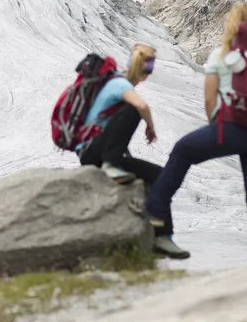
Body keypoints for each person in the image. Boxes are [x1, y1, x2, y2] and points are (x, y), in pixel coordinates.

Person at [141, 3, 247, 262]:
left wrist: (217, 129)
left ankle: (155, 208)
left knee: (183, 150)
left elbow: (209, 99)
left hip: (231, 127)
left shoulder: (224, 54)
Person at [77, 44, 185, 258]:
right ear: (147, 72)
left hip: (101, 150)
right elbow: (142, 106)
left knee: (160, 175)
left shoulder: (118, 85)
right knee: (133, 111)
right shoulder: (118, 83)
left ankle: (162, 236)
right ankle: (111, 165)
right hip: (93, 152)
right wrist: (150, 127)